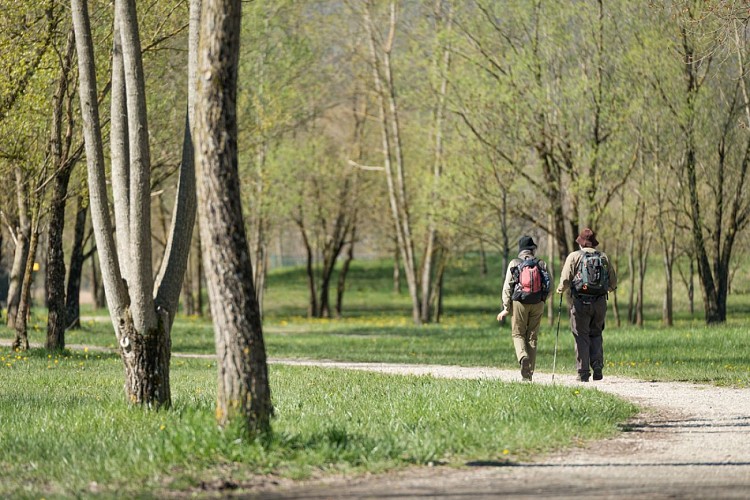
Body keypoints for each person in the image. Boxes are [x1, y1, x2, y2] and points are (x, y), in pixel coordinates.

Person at [556, 228, 617, 382]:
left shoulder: (574, 256)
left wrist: (560, 289)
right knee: (596, 333)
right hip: (600, 302)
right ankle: (597, 364)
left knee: (581, 335)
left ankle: (583, 372)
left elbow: (565, 279)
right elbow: (613, 281)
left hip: (580, 302)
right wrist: (605, 291)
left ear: (581, 243)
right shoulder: (604, 257)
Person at [497, 235, 551, 382]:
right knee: (532, 337)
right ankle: (528, 375)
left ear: (520, 249)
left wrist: (506, 307)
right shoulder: (541, 263)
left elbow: (507, 287)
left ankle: (523, 357)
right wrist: (542, 300)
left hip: (519, 302)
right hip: (538, 303)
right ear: (533, 249)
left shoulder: (514, 263)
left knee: (518, 334)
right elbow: (549, 286)